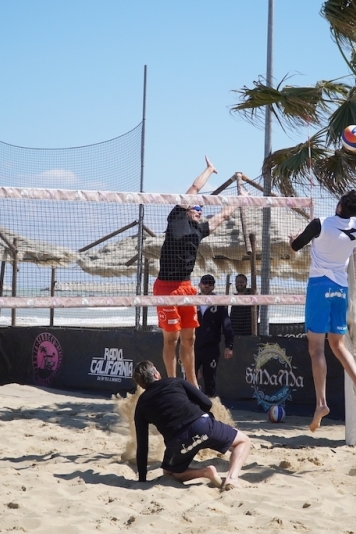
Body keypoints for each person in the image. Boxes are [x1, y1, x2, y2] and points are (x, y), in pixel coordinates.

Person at [289, 153, 356, 432]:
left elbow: (295, 248)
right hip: (340, 289)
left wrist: (292, 239)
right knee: (339, 345)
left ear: (339, 205)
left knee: (316, 348)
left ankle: (321, 402)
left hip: (320, 286)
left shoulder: (321, 223)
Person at [154, 156, 246, 388]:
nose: (199, 210)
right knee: (171, 339)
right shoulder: (176, 217)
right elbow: (195, 189)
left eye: (200, 209)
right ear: (187, 210)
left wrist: (240, 201)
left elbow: (223, 216)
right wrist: (209, 170)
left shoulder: (199, 231)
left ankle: (192, 383)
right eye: (196, 207)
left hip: (186, 287)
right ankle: (173, 382)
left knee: (189, 339)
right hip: (165, 286)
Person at [132, 360, 251, 490]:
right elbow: (207, 403)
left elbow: (142, 445)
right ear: (156, 375)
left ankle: (206, 472)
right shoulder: (175, 381)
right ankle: (232, 478)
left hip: (178, 442)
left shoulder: (141, 405)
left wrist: (142, 478)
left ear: (142, 385)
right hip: (202, 425)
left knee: (169, 472)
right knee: (243, 442)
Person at [194, 274, 234, 396]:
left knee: (209, 379)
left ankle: (210, 409)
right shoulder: (192, 301)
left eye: (210, 283)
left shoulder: (219, 303)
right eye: (205, 283)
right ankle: (189, 407)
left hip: (211, 348)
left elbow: (226, 324)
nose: (207, 285)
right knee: (190, 379)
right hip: (192, 346)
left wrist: (229, 345)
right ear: (200, 284)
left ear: (213, 286)